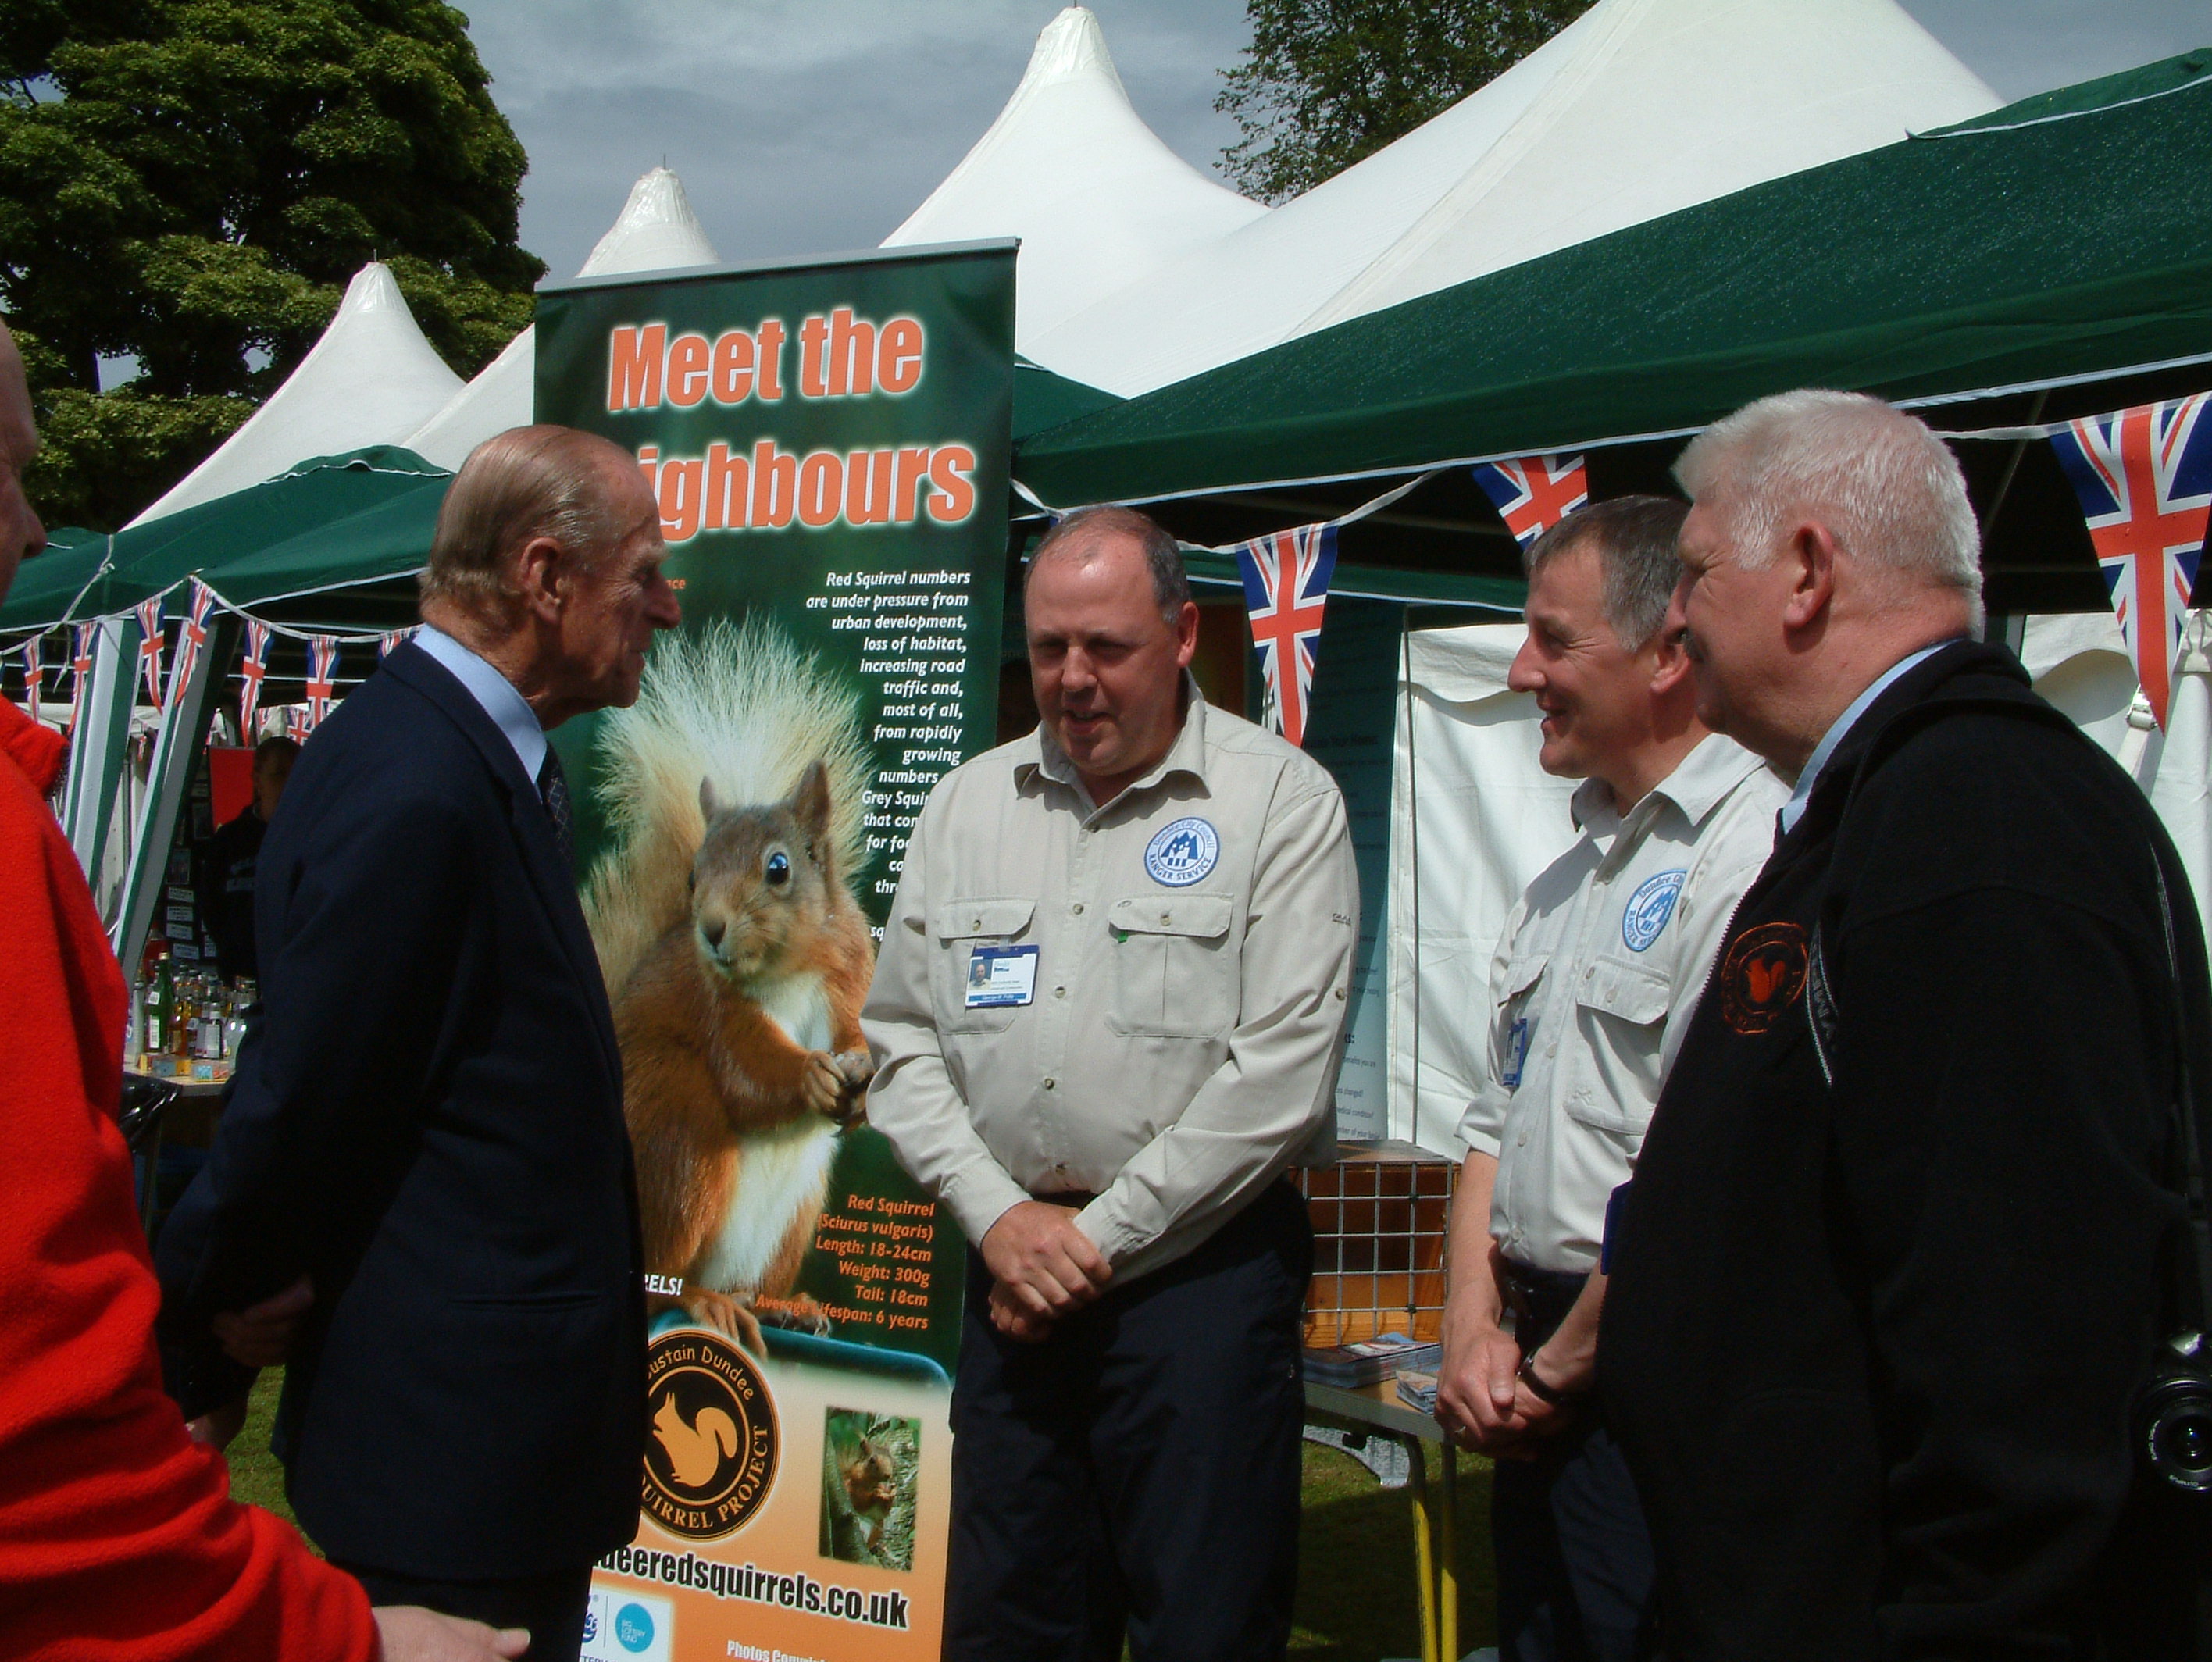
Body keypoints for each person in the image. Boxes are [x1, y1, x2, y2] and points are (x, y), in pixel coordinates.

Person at [1600, 389, 2208, 1657]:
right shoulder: (1894, 807)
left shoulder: (1977, 828)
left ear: (1807, 570)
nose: (1672, 616)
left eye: (1698, 570)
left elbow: (2020, 1355)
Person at [0, 317, 524, 1659]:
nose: (33, 527)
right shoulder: (418, 780)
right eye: (8, 472)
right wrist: (331, 1635)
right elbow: (36, 1422)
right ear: (542, 575)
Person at [158, 424, 682, 1660]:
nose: (669, 604)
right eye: (646, 571)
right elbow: (309, 1093)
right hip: (453, 1465)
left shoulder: (448, 755)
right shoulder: (419, 782)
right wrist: (211, 1320)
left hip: (486, 1445)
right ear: (546, 579)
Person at [864, 504, 1358, 1661]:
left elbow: (1278, 1075)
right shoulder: (969, 804)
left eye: (1108, 648)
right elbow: (903, 1042)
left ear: (1184, 633)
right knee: (1010, 1621)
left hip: (1197, 1288)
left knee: (1204, 1623)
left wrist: (1093, 1245)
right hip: (1013, 1282)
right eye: (1048, 649)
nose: (1073, 679)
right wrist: (1001, 1221)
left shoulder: (1278, 803)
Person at [1436, 497, 1786, 1662]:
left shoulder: (1751, 853)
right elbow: (1493, 1122)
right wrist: (1471, 1334)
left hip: (1654, 1382)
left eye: (1554, 639)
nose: (1524, 668)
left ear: (1668, 654)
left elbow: (1705, 1160)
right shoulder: (1565, 880)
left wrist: (1558, 1367)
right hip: (1539, 1369)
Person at [196, 735, 298, 983]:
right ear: (257, 781)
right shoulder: (230, 841)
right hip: (241, 978)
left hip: (296, 980)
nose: (287, 784)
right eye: (278, 774)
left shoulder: (314, 838)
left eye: (296, 774)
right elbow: (210, 906)